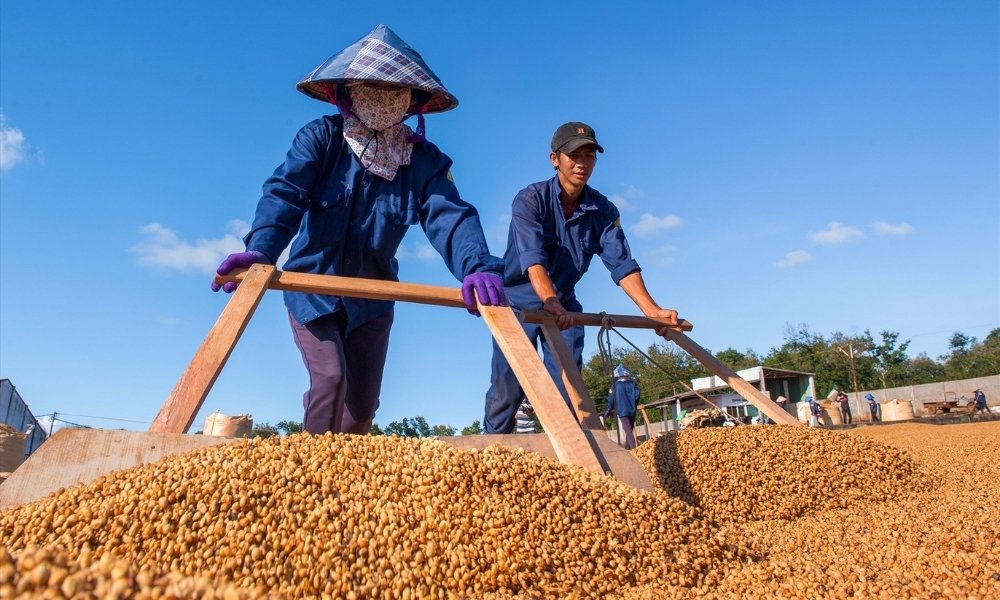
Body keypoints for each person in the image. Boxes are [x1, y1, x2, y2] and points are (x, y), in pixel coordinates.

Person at [212, 25, 506, 435]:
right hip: (312, 287)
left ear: (411, 101)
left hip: (373, 296)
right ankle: (309, 475)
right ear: (347, 92)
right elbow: (286, 194)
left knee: (362, 405)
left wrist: (477, 265)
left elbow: (450, 215)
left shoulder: (422, 161)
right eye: (371, 87)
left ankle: (353, 487)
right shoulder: (322, 139)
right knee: (331, 379)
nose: (382, 99)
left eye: (394, 91)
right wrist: (263, 249)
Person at [482, 121, 680, 433]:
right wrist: (549, 302)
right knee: (508, 387)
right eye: (574, 156)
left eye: (589, 156)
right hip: (518, 303)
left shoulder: (602, 209)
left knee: (569, 387)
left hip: (564, 303)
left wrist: (651, 311)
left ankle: (568, 455)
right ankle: (494, 450)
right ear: (554, 159)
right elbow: (532, 259)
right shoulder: (530, 200)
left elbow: (622, 264)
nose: (582, 164)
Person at [603, 364, 641, 449]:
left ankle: (635, 450)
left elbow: (611, 399)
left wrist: (609, 409)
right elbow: (637, 396)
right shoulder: (632, 384)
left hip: (622, 411)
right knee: (629, 430)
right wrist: (634, 405)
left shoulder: (615, 386)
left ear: (617, 376)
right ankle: (627, 449)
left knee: (628, 431)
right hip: (632, 410)